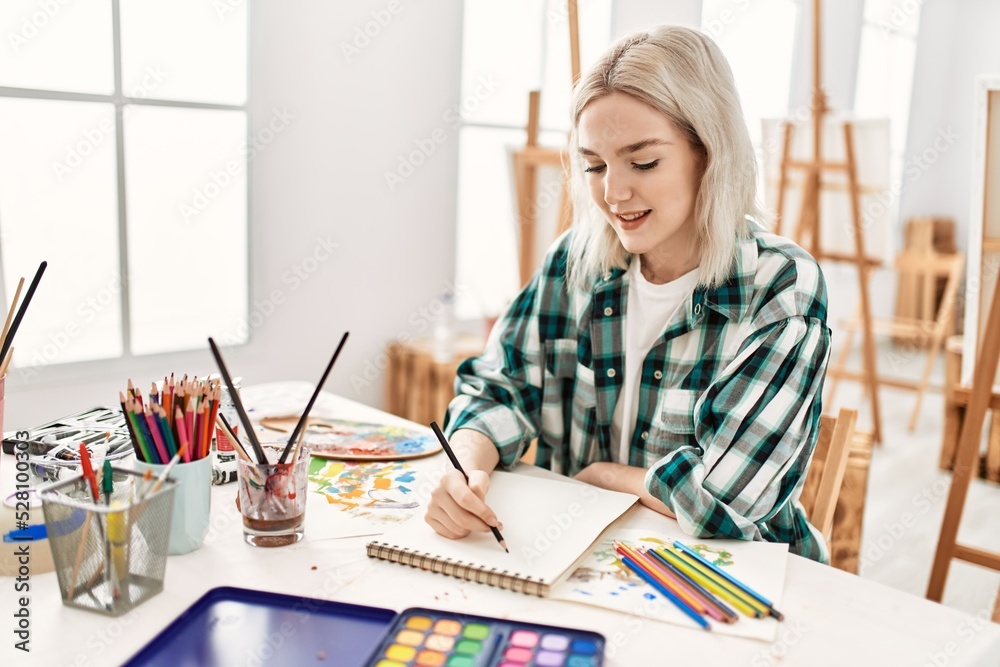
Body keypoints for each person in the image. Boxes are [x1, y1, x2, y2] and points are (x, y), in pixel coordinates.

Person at [427, 25, 831, 562]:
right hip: (585, 560)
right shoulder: (576, 260)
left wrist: (603, 477)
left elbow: (726, 500)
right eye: (595, 165)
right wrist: (468, 465)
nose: (613, 194)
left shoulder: (779, 286)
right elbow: (499, 390)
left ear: (709, 152)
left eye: (643, 162)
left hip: (732, 580)